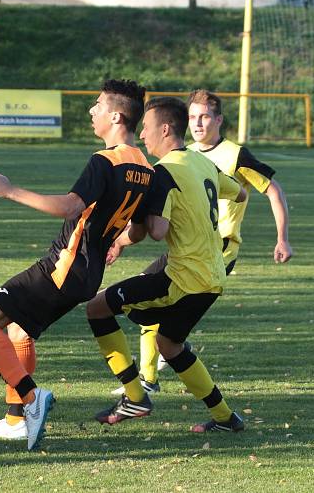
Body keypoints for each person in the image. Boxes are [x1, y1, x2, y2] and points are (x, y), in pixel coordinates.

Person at [0, 79, 154, 450]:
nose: (92, 111)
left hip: (63, 267)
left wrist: (10, 190)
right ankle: (15, 420)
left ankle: (32, 399)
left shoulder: (105, 160)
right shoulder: (146, 167)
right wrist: (114, 242)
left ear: (116, 115)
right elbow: (144, 229)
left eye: (97, 105)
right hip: (87, 275)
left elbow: (71, 206)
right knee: (19, 332)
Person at [85, 96, 249, 433]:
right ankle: (225, 418)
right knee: (169, 344)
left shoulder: (163, 173)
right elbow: (241, 194)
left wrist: (140, 210)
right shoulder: (202, 163)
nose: (142, 135)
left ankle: (135, 397)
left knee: (98, 307)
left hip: (184, 278)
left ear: (164, 128)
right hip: (214, 274)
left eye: (145, 128)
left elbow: (157, 232)